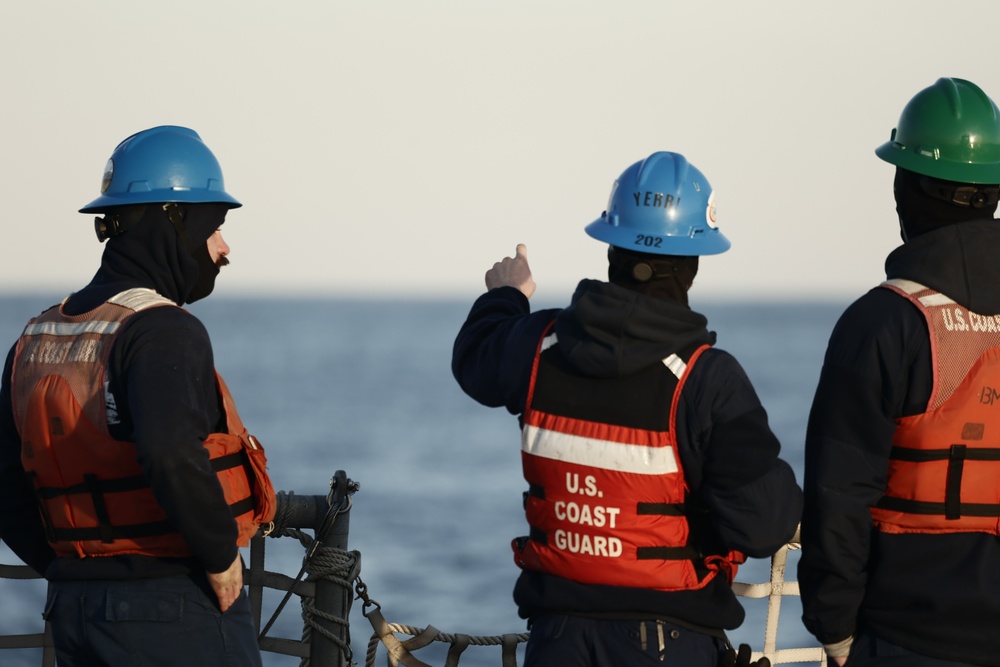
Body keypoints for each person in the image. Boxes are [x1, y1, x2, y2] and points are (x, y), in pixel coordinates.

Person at [452, 151, 802, 666]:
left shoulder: (538, 344)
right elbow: (764, 525)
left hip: (557, 643)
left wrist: (507, 295)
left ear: (611, 246)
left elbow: (474, 360)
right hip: (671, 644)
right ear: (693, 262)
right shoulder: (706, 379)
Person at [0, 125, 276, 666]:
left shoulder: (34, 338)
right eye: (214, 227)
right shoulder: (161, 330)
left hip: (74, 608)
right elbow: (170, 452)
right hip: (171, 606)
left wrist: (69, 570)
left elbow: (5, 483)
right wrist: (221, 561)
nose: (223, 249)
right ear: (174, 220)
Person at [798, 77, 1000, 667]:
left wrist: (835, 631)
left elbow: (838, 496)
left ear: (905, 187)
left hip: (907, 639)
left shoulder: (884, 322)